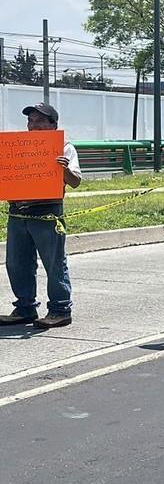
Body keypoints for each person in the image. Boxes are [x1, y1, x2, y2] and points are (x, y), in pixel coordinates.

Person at [0, 103, 82, 328]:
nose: (32, 125)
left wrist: (63, 169)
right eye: (30, 121)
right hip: (18, 212)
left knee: (54, 263)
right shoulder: (16, 147)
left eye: (39, 121)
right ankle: (25, 308)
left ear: (53, 125)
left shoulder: (64, 148)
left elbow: (75, 182)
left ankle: (60, 310)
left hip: (46, 213)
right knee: (16, 263)